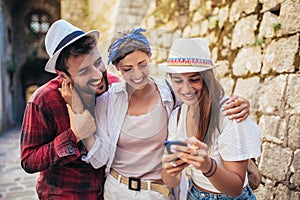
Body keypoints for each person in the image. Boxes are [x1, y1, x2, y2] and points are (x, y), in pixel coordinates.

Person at [68, 28, 251, 200]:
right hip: (117, 190)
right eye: (128, 69)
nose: (138, 74)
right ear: (117, 67)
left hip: (158, 192)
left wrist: (239, 103)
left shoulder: (170, 93)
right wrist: (79, 119)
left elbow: (204, 99)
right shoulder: (107, 101)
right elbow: (99, 159)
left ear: (150, 57)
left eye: (142, 64)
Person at [20, 19, 111, 199]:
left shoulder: (112, 86)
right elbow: (28, 160)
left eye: (98, 62)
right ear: (63, 76)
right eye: (84, 72)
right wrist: (73, 135)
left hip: (106, 193)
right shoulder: (43, 101)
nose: (97, 75)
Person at [160, 38, 261, 199]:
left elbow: (235, 189)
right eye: (178, 80)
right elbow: (170, 181)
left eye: (194, 79)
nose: (186, 89)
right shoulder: (177, 116)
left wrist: (208, 166)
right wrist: (170, 166)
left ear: (207, 78)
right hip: (193, 193)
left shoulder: (230, 113)